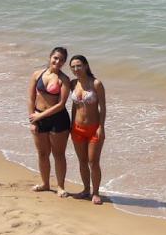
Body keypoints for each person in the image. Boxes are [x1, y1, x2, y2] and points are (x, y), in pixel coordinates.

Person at [28, 47, 72, 195]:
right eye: (55, 58)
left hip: (58, 120)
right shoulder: (37, 74)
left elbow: (61, 105)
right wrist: (33, 120)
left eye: (61, 60)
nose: (57, 62)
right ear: (50, 57)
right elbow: (31, 98)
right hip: (38, 117)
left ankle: (60, 187)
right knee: (42, 154)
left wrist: (39, 117)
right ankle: (45, 184)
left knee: (58, 154)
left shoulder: (64, 80)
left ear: (64, 62)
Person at [68, 54, 107, 204]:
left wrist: (101, 128)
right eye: (73, 67)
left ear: (86, 66)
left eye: (79, 65)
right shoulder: (73, 84)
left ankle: (95, 192)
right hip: (77, 129)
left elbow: (102, 107)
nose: (76, 69)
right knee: (82, 161)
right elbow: (73, 106)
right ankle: (85, 189)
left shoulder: (96, 84)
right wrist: (72, 125)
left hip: (94, 128)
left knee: (93, 162)